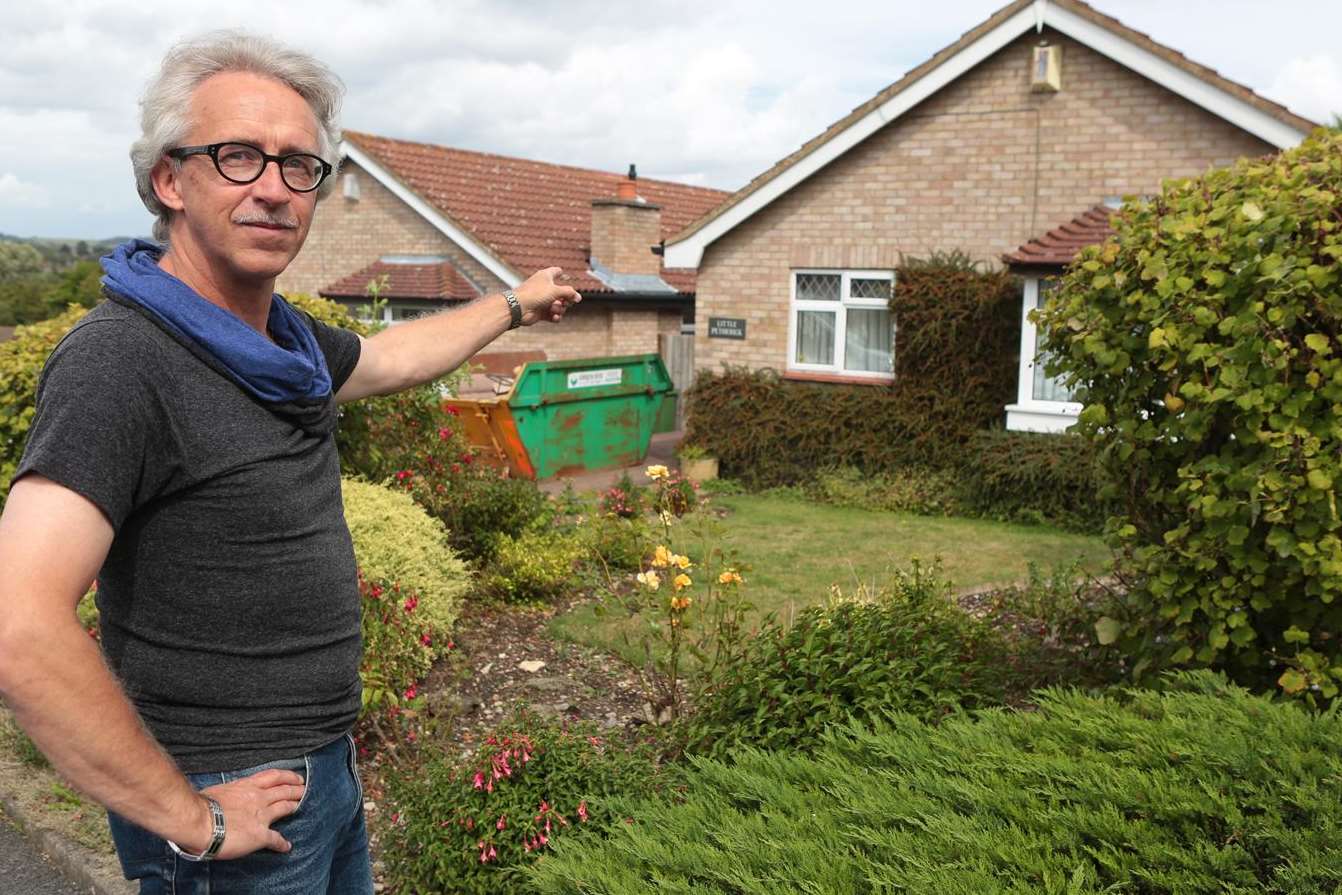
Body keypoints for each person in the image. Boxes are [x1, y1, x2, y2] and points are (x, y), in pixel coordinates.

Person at [0, 30, 580, 894]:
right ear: (169, 179)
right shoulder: (123, 360)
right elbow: (17, 623)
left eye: (299, 166)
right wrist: (192, 817)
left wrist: (512, 305)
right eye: (238, 157)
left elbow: (392, 357)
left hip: (322, 776)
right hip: (227, 800)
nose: (274, 189)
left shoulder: (284, 343)